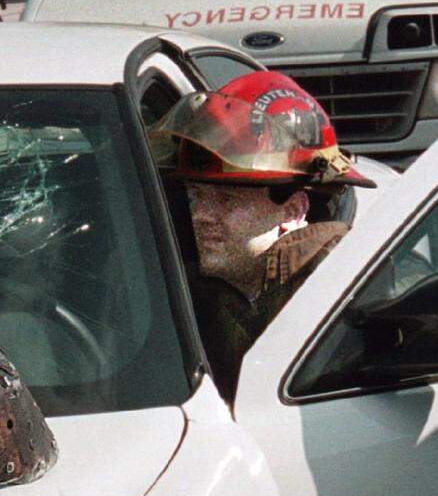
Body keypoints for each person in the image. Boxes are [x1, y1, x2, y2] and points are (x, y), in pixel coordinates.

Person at [147, 70, 375, 401]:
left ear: (293, 209)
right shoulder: (187, 295)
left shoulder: (345, 293)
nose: (201, 214)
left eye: (227, 200)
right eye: (196, 196)